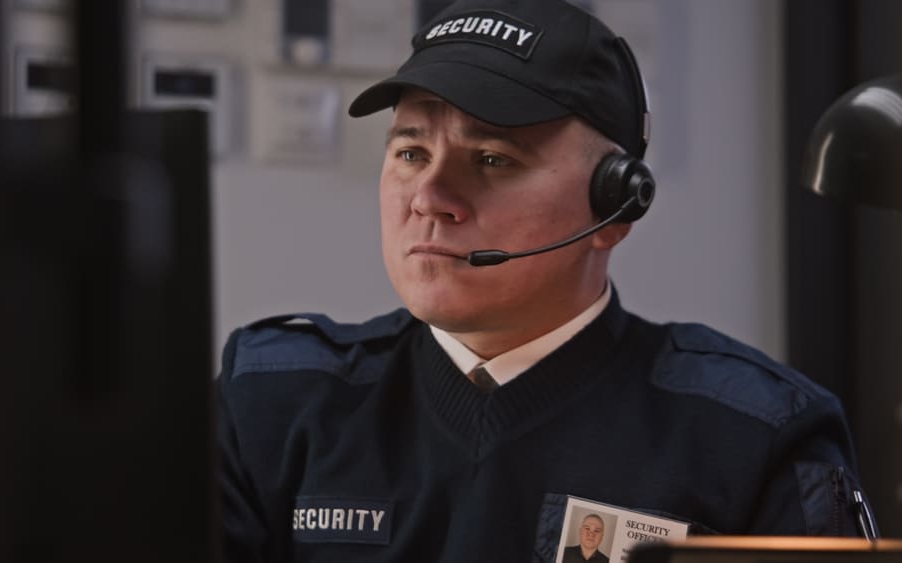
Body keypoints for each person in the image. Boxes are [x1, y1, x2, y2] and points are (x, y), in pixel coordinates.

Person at [216, 0, 876, 561]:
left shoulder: (750, 434)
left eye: (493, 159)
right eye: (412, 152)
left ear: (614, 210)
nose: (430, 195)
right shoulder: (272, 403)